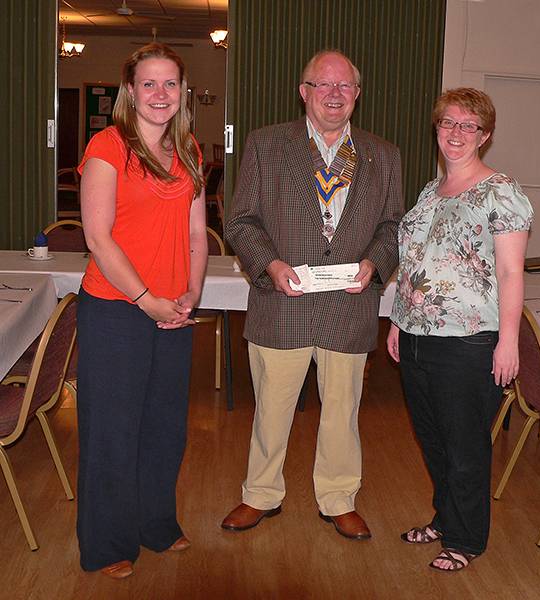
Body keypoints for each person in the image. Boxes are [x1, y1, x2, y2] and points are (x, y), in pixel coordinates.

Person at [222, 50, 403, 540]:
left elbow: (392, 226)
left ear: (357, 95)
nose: (334, 94)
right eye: (323, 85)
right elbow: (241, 220)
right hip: (282, 304)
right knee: (271, 409)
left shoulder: (381, 154)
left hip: (349, 305)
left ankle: (339, 498)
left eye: (344, 86)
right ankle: (259, 494)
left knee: (342, 412)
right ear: (304, 92)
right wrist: (271, 265)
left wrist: (375, 264)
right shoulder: (266, 146)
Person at [386, 88, 533, 571]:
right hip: (415, 335)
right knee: (432, 438)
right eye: (448, 122)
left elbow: (512, 272)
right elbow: (414, 261)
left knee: (465, 443)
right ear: (437, 128)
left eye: (468, 125)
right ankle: (446, 518)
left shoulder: (500, 191)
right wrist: (396, 319)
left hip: (468, 342)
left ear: (484, 135)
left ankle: (467, 538)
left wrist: (508, 342)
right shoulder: (432, 190)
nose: (456, 133)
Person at [76, 43, 207, 579]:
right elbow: (99, 238)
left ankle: (156, 525)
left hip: (174, 310)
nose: (160, 94)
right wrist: (146, 300)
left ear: (182, 91)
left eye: (170, 84)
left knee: (164, 428)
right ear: (129, 91)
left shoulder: (190, 150)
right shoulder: (107, 147)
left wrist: (190, 294)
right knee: (112, 429)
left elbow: (198, 234)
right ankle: (107, 544)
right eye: (149, 84)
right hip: (116, 309)